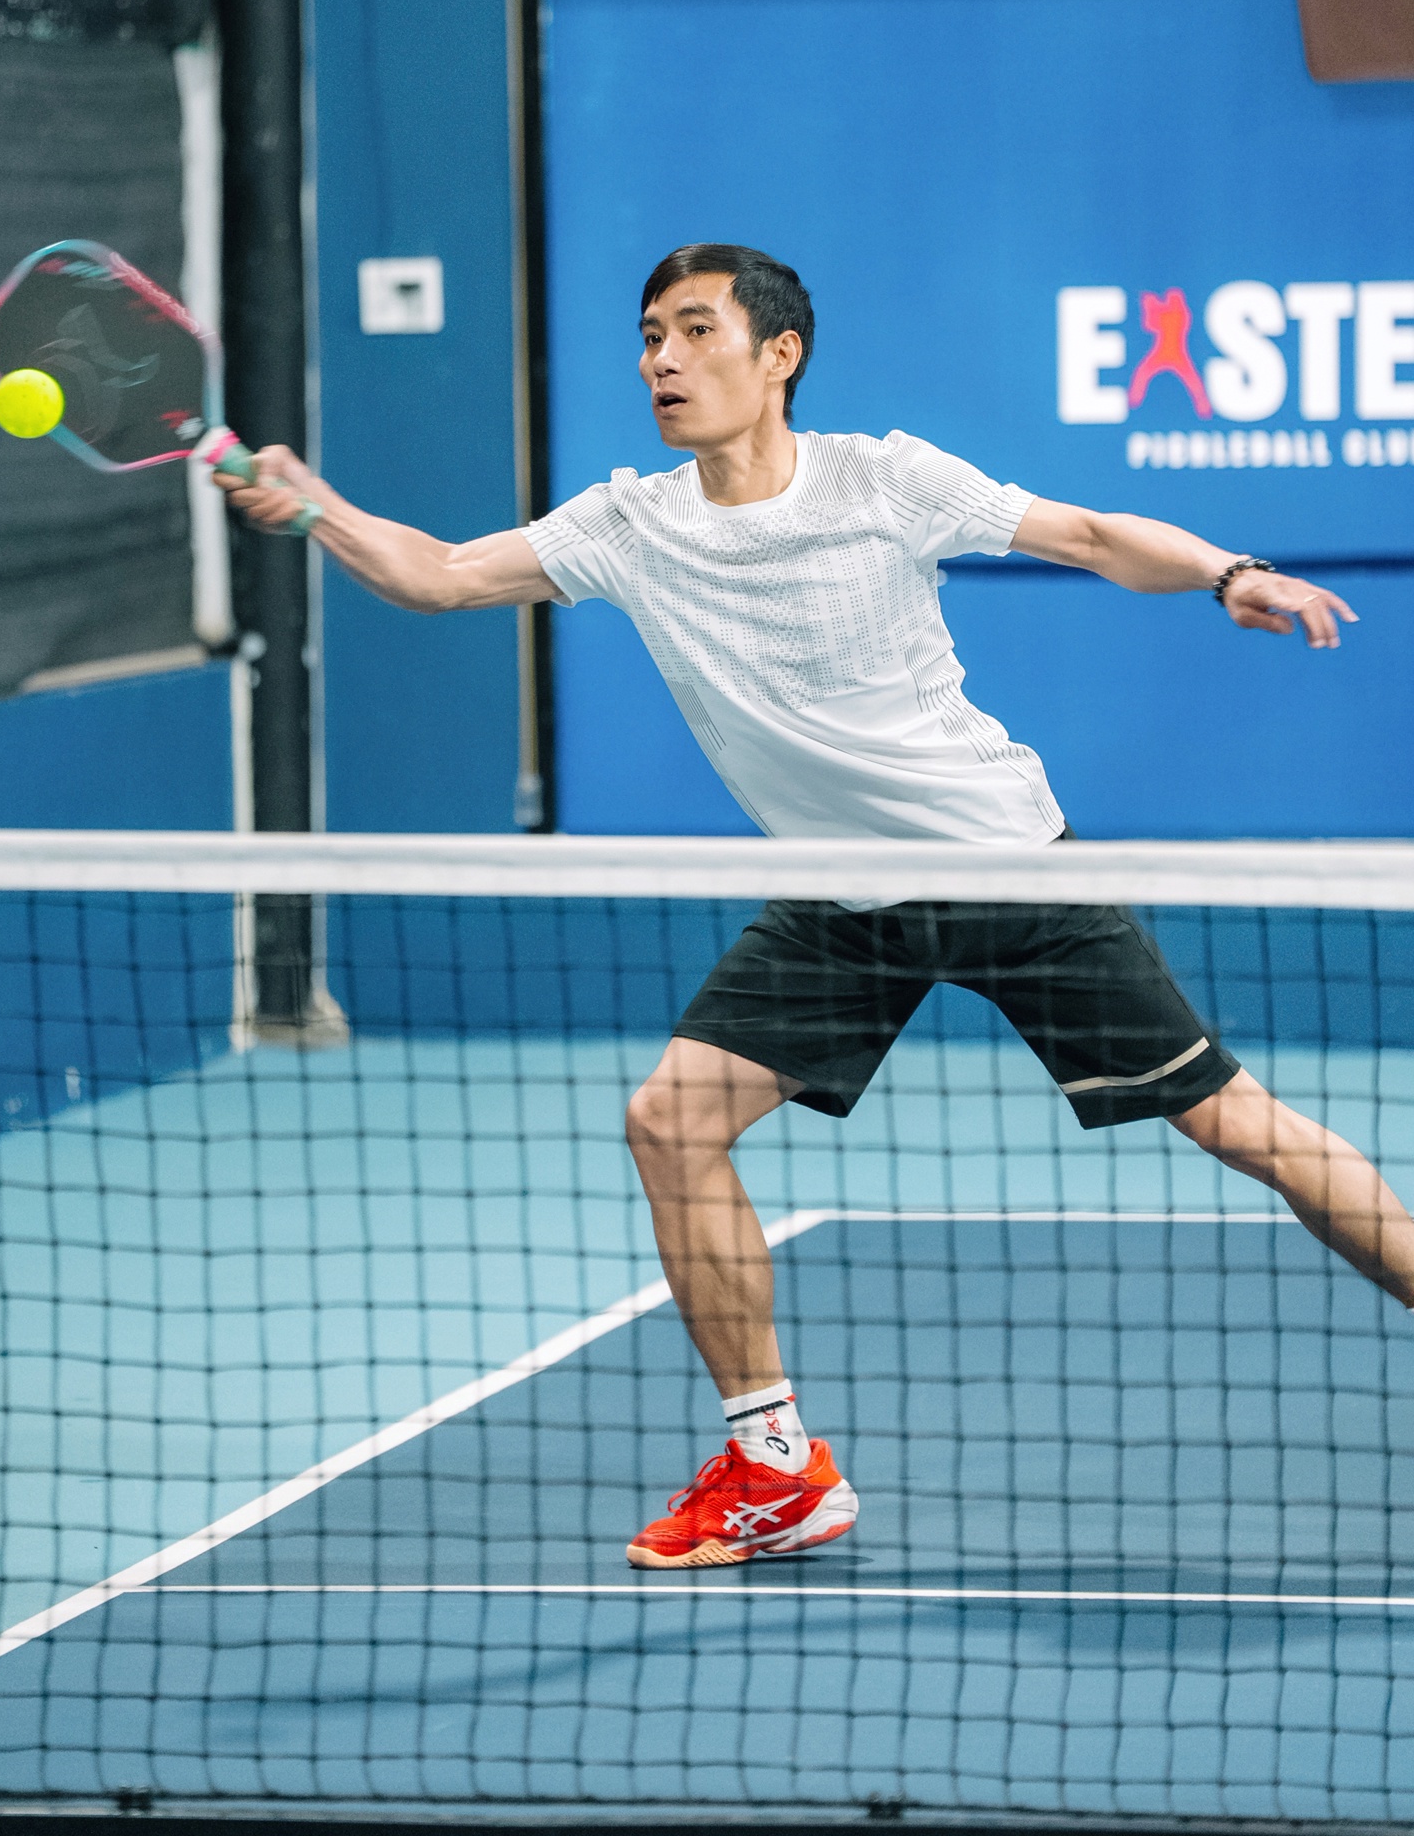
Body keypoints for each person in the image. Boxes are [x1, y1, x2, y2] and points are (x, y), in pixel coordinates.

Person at [218, 243, 1414, 1572]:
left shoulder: (884, 481)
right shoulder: (629, 524)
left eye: (693, 330)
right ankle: (777, 1467)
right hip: (843, 903)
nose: (660, 360)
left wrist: (1228, 572)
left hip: (1009, 872)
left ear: (777, 353)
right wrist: (316, 507)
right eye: (649, 336)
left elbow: (1086, 535)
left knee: (1237, 1126)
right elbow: (439, 574)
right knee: (670, 1123)